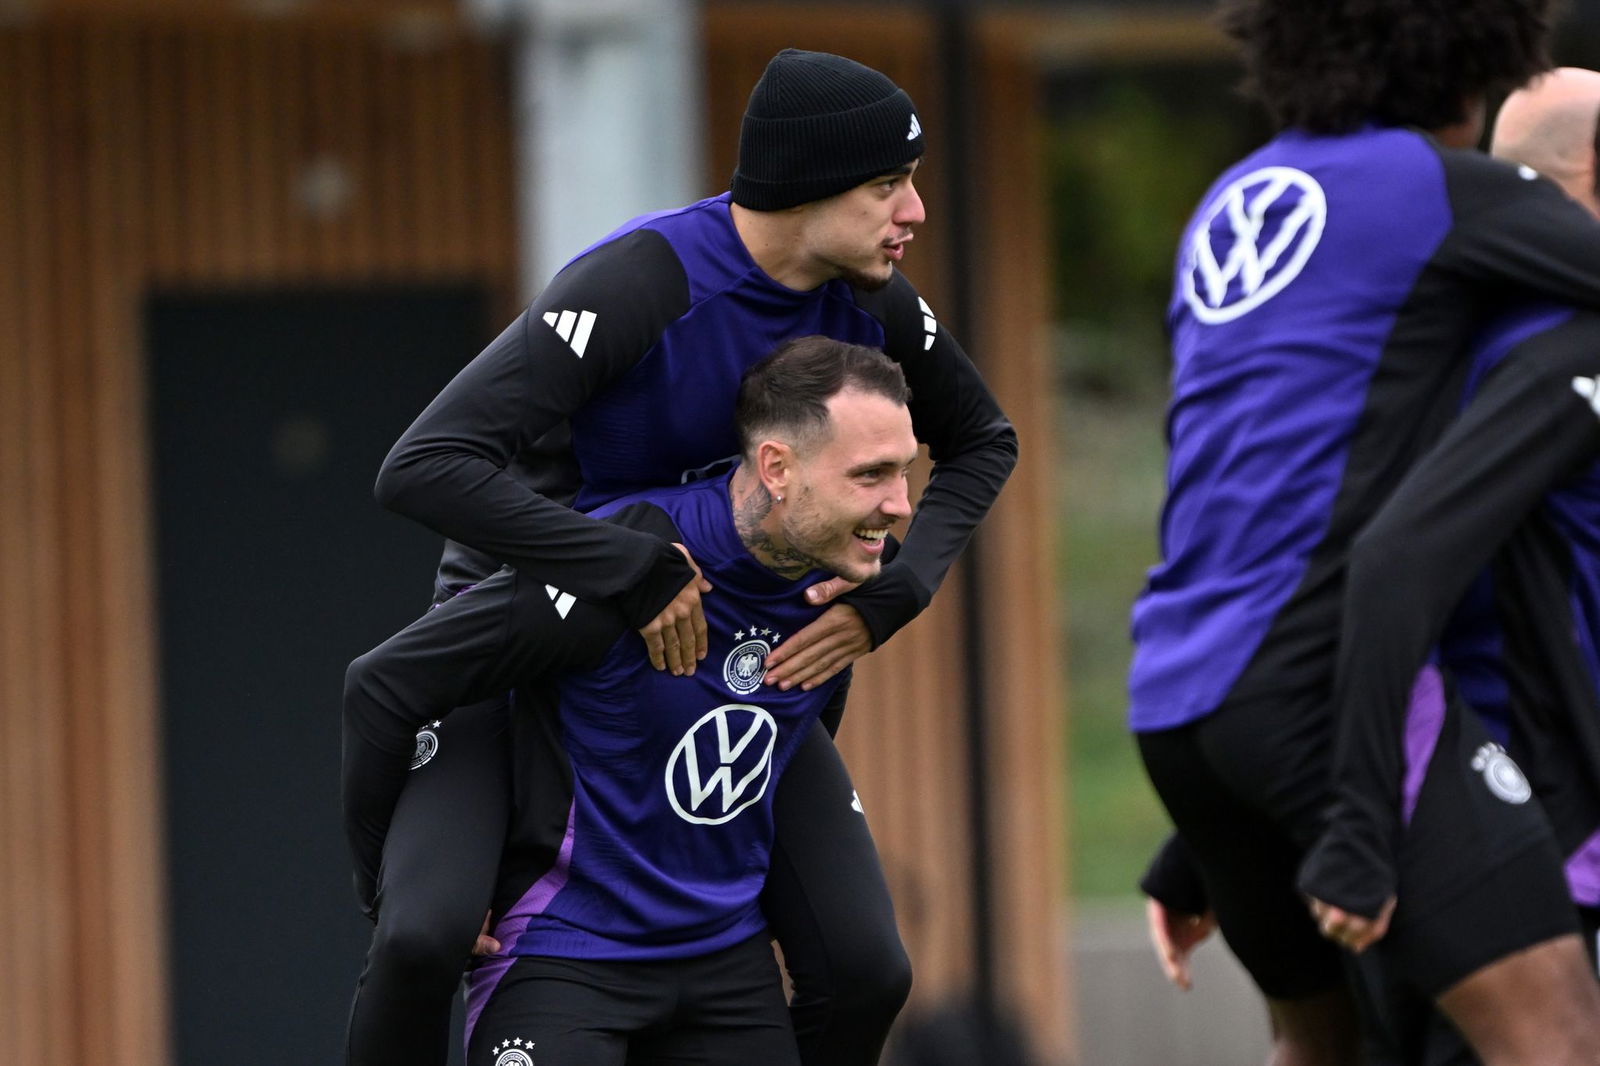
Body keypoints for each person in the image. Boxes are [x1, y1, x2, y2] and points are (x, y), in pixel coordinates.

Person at [343, 48, 1018, 1066]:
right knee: (422, 933)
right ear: (803, 191)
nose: (913, 212)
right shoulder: (638, 284)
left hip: (717, 650)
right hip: (531, 632)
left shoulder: (867, 299)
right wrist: (628, 567)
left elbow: (983, 440)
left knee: (868, 966)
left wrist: (897, 593)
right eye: (887, 185)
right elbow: (423, 466)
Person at [1128, 2, 1600, 1062]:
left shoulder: (1230, 202)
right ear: (1466, 51)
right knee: (1559, 1041)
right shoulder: (1441, 193)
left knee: (1315, 1048)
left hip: (1177, 691)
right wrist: (1353, 826)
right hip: (1321, 690)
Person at [344, 338, 918, 1065]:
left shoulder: (853, 577)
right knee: (417, 936)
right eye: (871, 476)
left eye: (905, 472)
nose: (900, 508)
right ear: (775, 468)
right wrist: (386, 885)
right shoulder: (624, 566)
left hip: (721, 959)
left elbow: (794, 713)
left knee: (872, 968)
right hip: (566, 947)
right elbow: (381, 684)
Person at [1295, 68, 1600, 1063]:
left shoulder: (1420, 349)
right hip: (1535, 847)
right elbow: (1388, 564)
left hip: (1411, 822)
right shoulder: (1561, 350)